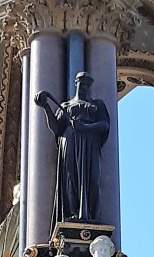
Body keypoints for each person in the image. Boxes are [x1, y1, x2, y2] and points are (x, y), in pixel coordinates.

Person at [35, 72, 109, 232]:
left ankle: (89, 215)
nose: (85, 87)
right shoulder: (66, 106)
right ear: (76, 84)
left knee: (92, 178)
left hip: (90, 144)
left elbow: (104, 125)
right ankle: (72, 214)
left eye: (88, 84)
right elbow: (56, 127)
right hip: (70, 141)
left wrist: (86, 127)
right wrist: (46, 107)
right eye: (82, 84)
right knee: (70, 177)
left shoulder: (98, 105)